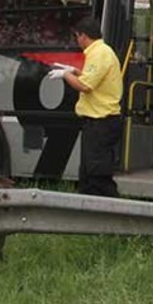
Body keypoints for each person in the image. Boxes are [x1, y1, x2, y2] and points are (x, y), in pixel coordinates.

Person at [52, 17, 122, 197]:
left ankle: (110, 209)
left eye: (77, 36)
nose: (77, 40)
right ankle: (89, 209)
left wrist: (66, 75)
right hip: (97, 121)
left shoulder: (99, 53)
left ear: (83, 35)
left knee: (97, 174)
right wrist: (75, 71)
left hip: (101, 121)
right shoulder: (101, 51)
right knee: (88, 172)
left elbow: (85, 86)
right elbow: (94, 80)